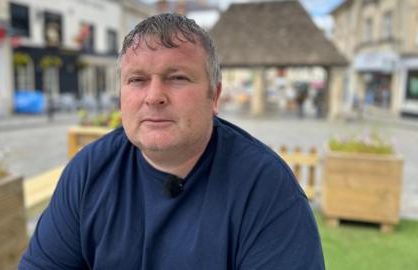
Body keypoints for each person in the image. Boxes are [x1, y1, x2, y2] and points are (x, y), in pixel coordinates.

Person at [19, 13, 325, 269]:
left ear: (214, 95)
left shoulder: (267, 190)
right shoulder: (88, 171)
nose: (154, 97)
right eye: (137, 80)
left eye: (177, 77)